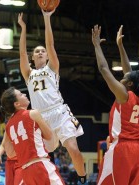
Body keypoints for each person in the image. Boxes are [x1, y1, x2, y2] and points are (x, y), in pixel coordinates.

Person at [18, 10, 87, 184]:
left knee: (73, 149)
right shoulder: (28, 73)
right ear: (33, 57)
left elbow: (50, 44)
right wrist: (23, 29)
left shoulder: (52, 68)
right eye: (37, 51)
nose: (40, 52)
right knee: (41, 157)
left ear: (47, 56)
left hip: (59, 112)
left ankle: (83, 178)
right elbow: (21, 53)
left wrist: (47, 18)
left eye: (43, 51)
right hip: (41, 118)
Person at [92, 25, 139, 185]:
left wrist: (96, 45)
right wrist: (120, 46)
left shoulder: (124, 96)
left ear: (130, 84)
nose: (122, 78)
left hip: (122, 149)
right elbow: (130, 72)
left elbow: (103, 68)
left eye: (125, 79)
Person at [0, 87, 65, 184]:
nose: (25, 94)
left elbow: (10, 153)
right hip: (40, 165)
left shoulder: (9, 125)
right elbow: (49, 136)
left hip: (25, 171)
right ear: (17, 104)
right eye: (21, 94)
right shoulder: (33, 113)